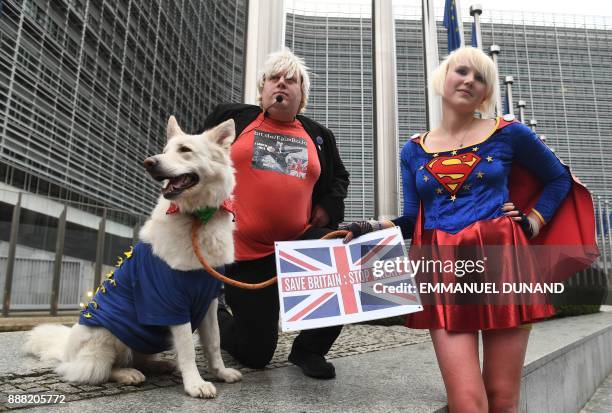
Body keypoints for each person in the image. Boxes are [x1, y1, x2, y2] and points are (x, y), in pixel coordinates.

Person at [343, 46, 597, 411]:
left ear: (487, 91)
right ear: (443, 78)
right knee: (466, 402)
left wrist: (533, 221)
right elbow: (414, 218)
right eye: (462, 71)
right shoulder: (413, 150)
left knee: (502, 398)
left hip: (504, 263)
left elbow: (558, 179)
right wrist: (369, 225)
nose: (470, 81)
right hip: (442, 270)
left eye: (481, 77)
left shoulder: (510, 133)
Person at [202, 48, 350, 379]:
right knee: (255, 354)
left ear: (301, 94)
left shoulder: (318, 136)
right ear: (263, 88)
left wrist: (328, 205)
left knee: (338, 256)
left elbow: (339, 177)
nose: (281, 84)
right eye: (273, 78)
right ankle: (216, 316)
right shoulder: (234, 117)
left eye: (291, 80)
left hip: (300, 244)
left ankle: (309, 350)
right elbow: (197, 157)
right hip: (245, 253)